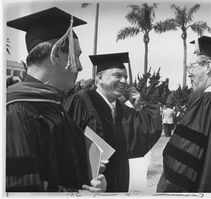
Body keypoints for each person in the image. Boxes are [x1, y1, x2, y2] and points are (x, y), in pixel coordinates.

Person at [6, 7, 106, 192]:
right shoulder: (15, 109)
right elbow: (20, 188)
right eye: (76, 55)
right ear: (57, 54)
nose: (81, 66)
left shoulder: (53, 105)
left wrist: (92, 181)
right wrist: (75, 195)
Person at [157, 36, 211, 192]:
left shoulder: (208, 101)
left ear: (208, 66)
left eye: (191, 66)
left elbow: (179, 169)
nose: (189, 73)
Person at [63, 52, 162, 192]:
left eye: (125, 77)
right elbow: (64, 146)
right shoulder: (80, 102)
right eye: (117, 75)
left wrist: (139, 106)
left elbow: (146, 132)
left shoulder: (123, 109)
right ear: (99, 78)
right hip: (88, 185)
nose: (124, 81)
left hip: (119, 182)